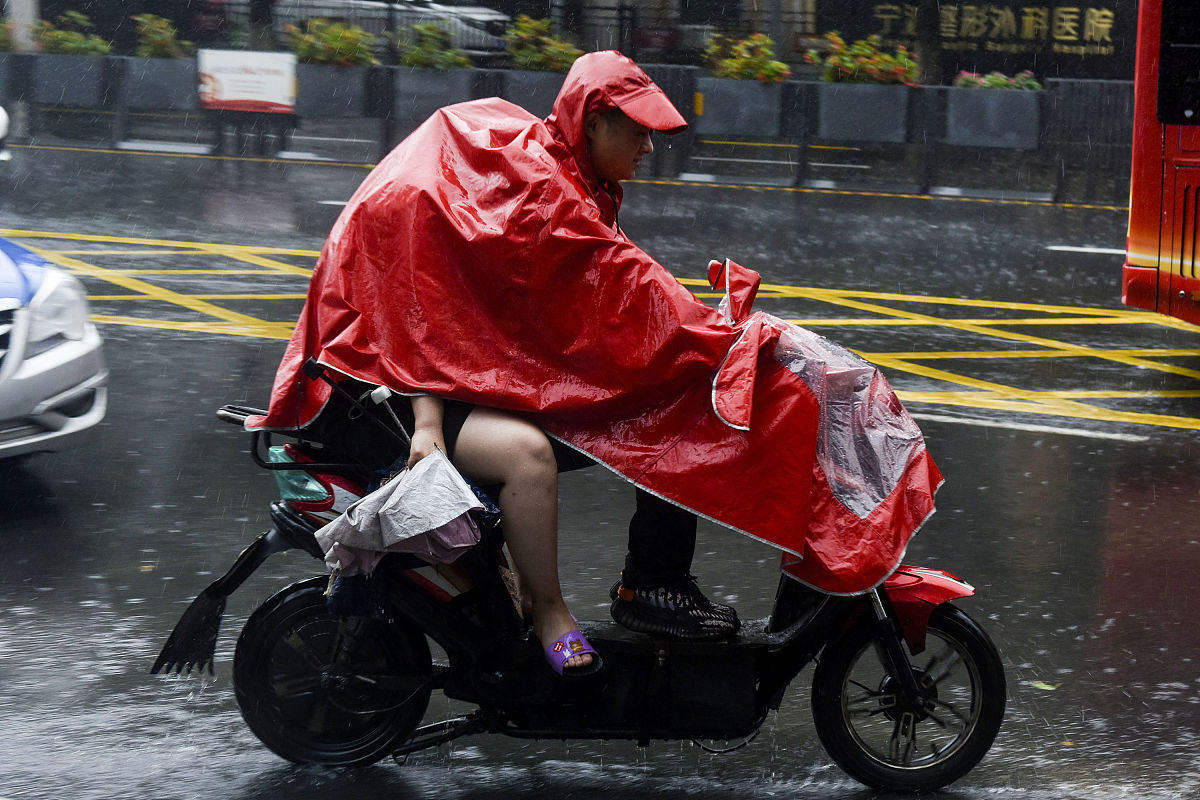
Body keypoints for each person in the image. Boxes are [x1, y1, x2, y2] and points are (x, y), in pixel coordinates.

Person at [249, 51, 941, 677]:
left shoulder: (562, 175)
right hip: (379, 389)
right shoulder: (545, 195)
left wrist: (717, 335)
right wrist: (725, 340)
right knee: (539, 454)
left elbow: (612, 295)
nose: (648, 147)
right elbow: (618, 289)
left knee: (663, 403)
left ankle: (647, 582)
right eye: (635, 131)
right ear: (592, 121)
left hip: (449, 374)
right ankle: (564, 611)